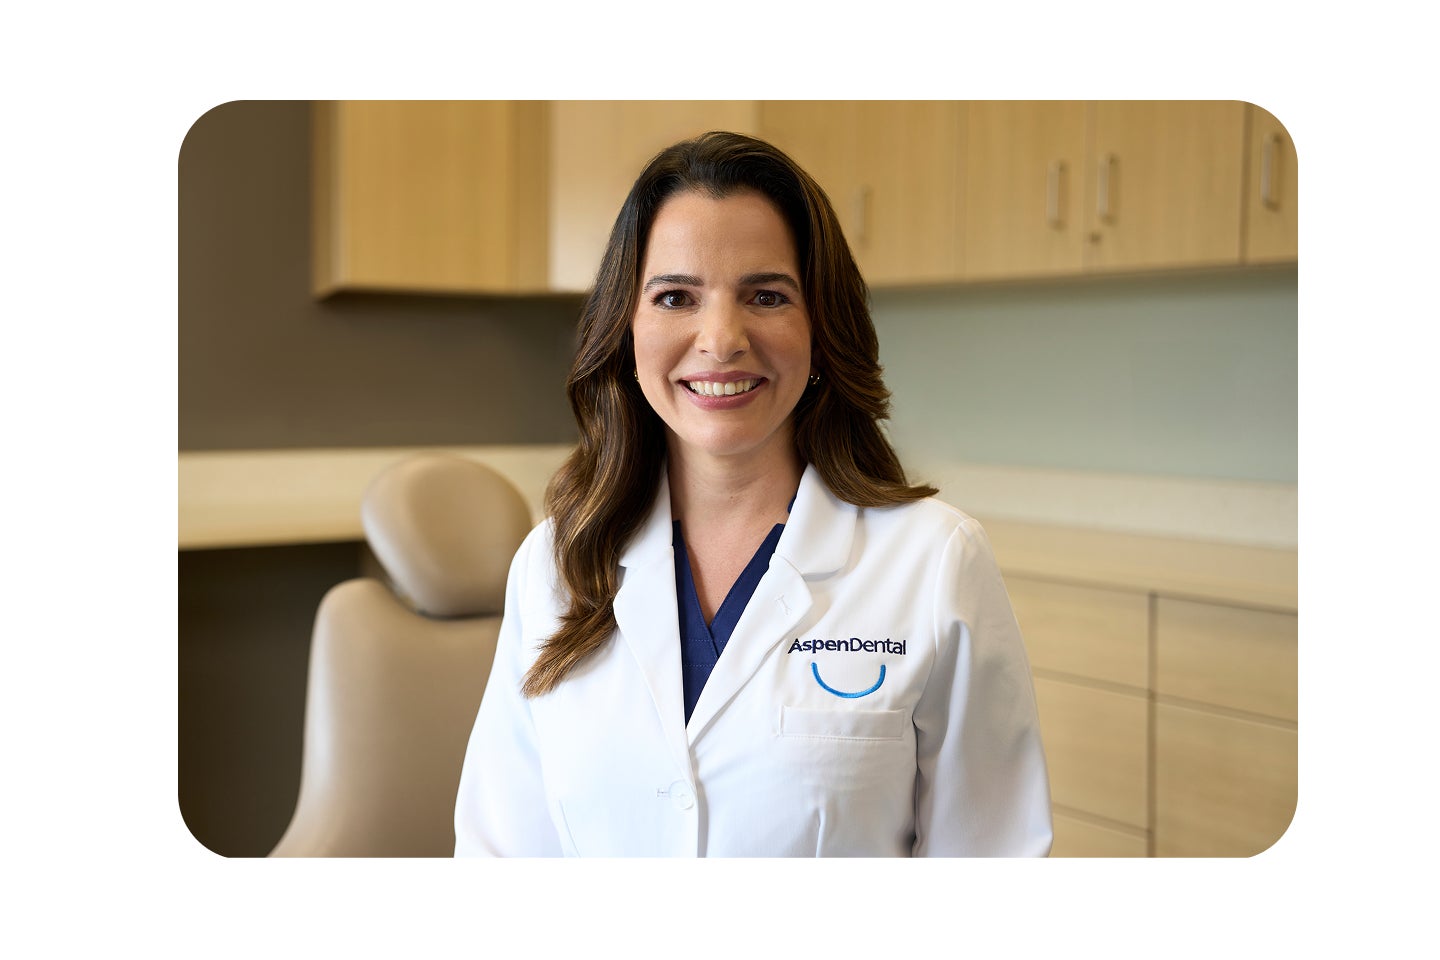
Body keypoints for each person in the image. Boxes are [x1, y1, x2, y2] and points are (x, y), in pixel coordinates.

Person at [453, 131, 1051, 857]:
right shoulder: (555, 563)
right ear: (626, 329)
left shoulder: (932, 562)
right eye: (676, 296)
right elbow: (501, 860)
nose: (721, 338)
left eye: (766, 295)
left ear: (821, 329)